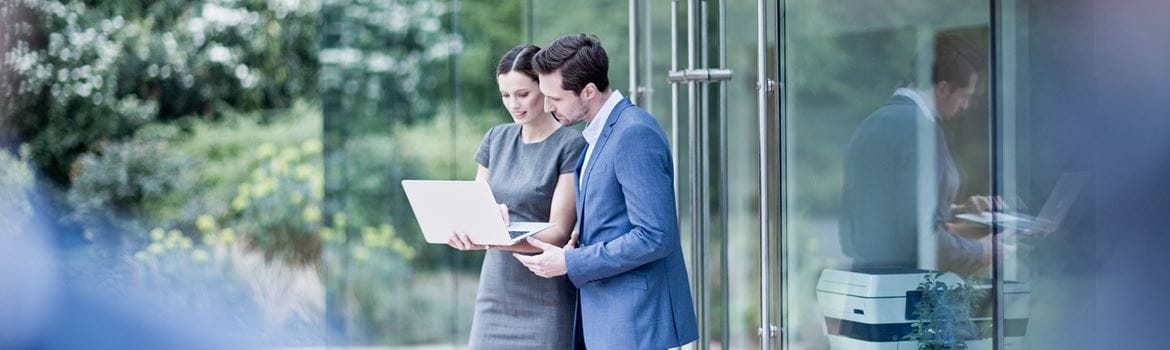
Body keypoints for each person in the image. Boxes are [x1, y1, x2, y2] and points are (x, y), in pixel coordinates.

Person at [512, 34, 698, 349]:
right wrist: (579, 240)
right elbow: (615, 213)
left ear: (588, 91)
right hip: (609, 313)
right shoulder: (600, 132)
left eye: (555, 98)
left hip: (635, 320)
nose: (547, 106)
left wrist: (572, 263)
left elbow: (655, 235)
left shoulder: (633, 133)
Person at [444, 44, 586, 349]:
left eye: (522, 94)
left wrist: (494, 240)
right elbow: (476, 207)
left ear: (544, 88)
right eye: (506, 95)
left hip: (547, 295)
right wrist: (470, 229)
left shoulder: (569, 145)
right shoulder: (496, 139)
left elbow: (559, 231)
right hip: (496, 292)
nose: (514, 104)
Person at [838, 33, 1003, 275]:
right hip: (905, 291)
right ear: (944, 88)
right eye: (965, 96)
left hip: (867, 285)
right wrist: (980, 250)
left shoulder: (870, 124)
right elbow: (918, 237)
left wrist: (955, 210)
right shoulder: (921, 132)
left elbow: (885, 212)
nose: (965, 106)